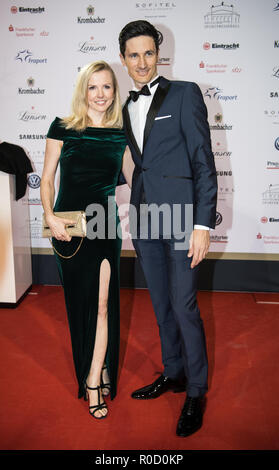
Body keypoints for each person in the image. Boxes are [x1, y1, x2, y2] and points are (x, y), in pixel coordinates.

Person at [119, 20, 217, 437]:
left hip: (181, 219)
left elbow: (203, 162)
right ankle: (173, 372)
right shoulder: (125, 107)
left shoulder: (186, 93)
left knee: (184, 306)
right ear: (123, 59)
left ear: (158, 54)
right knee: (160, 305)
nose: (141, 62)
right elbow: (135, 166)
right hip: (144, 220)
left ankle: (196, 390)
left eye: (147, 53)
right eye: (133, 55)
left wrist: (202, 224)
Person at [41, 61, 133, 419]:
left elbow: (137, 181)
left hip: (104, 228)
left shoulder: (121, 135)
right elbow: (47, 179)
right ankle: (99, 364)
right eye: (92, 87)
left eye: (106, 87)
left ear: (114, 92)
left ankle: (94, 377)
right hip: (68, 228)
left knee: (103, 303)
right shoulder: (62, 127)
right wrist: (49, 216)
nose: (100, 94)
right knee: (81, 304)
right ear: (83, 91)